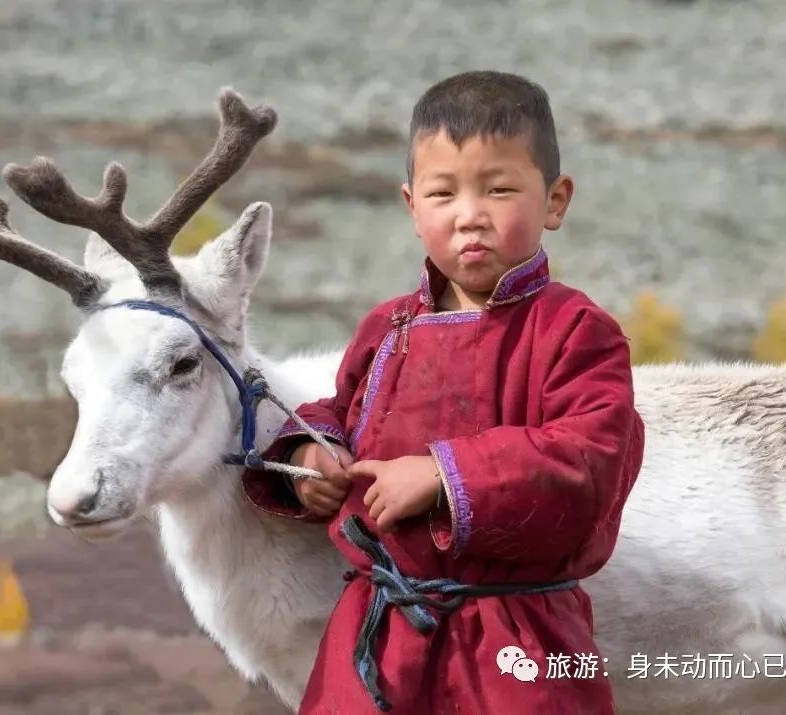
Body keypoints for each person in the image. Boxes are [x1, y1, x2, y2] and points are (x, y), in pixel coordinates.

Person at [242, 69, 645, 714]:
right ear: (411, 206)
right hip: (379, 639)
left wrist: (442, 473)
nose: (469, 216)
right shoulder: (388, 328)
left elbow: (590, 458)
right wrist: (312, 459)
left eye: (500, 188)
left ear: (555, 201)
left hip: (519, 641)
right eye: (442, 193)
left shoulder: (575, 331)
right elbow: (339, 417)